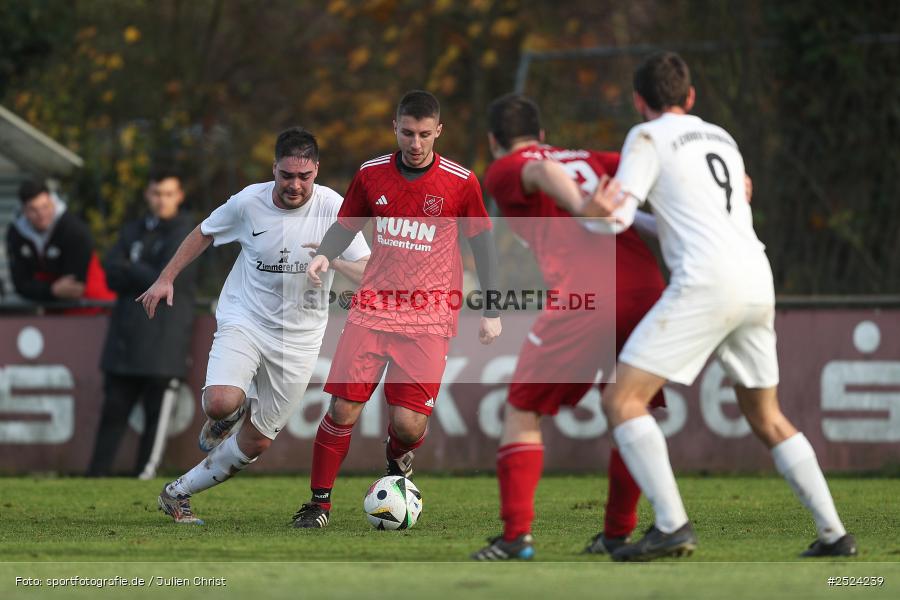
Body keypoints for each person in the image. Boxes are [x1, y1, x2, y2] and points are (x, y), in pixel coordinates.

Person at [591, 51, 855, 560]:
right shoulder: (721, 138)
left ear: (639, 100)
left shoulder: (646, 136)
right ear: (690, 97)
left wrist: (586, 211)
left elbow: (615, 217)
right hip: (756, 277)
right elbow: (686, 218)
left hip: (706, 282)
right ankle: (835, 536)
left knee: (621, 401)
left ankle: (671, 525)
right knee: (768, 415)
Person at [469, 93, 667, 561]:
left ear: (494, 140)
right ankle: (617, 534)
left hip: (587, 296)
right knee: (630, 410)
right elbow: (658, 164)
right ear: (542, 133)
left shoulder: (505, 168)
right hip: (645, 290)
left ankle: (515, 538)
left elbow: (538, 170)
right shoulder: (590, 157)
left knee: (522, 410)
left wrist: (580, 206)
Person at [292, 90, 502, 528]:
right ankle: (318, 504)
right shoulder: (371, 174)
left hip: (429, 316)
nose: (415, 142)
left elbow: (483, 244)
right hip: (372, 309)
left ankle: (397, 459)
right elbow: (347, 223)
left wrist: (492, 309)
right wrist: (324, 254)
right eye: (407, 133)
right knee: (342, 410)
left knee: (408, 426)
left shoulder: (461, 181)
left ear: (438, 131)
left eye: (424, 134)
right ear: (395, 128)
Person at [139, 128, 370, 524]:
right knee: (219, 402)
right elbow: (204, 232)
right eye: (286, 175)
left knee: (258, 441)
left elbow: (367, 271)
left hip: (300, 337)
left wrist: (333, 260)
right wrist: (166, 277)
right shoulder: (248, 202)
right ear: (274, 168)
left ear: (316, 170)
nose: (294, 185)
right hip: (245, 317)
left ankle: (177, 493)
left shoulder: (334, 207)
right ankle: (230, 412)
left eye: (304, 176)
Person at [86, 167, 197, 477]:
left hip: (163, 345)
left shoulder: (189, 235)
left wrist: (133, 267)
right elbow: (111, 274)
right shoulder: (132, 230)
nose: (162, 200)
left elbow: (169, 281)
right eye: (157, 193)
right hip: (125, 340)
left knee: (155, 419)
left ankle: (144, 479)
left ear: (179, 196)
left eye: (168, 194)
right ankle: (95, 477)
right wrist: (149, 273)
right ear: (148, 194)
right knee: (112, 414)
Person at [6, 179, 114, 309]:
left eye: (45, 206)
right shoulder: (16, 234)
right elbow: (21, 284)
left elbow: (75, 288)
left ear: (52, 202)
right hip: (53, 309)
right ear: (24, 210)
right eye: (33, 209)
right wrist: (51, 290)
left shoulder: (74, 230)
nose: (41, 214)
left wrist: (42, 289)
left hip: (96, 307)